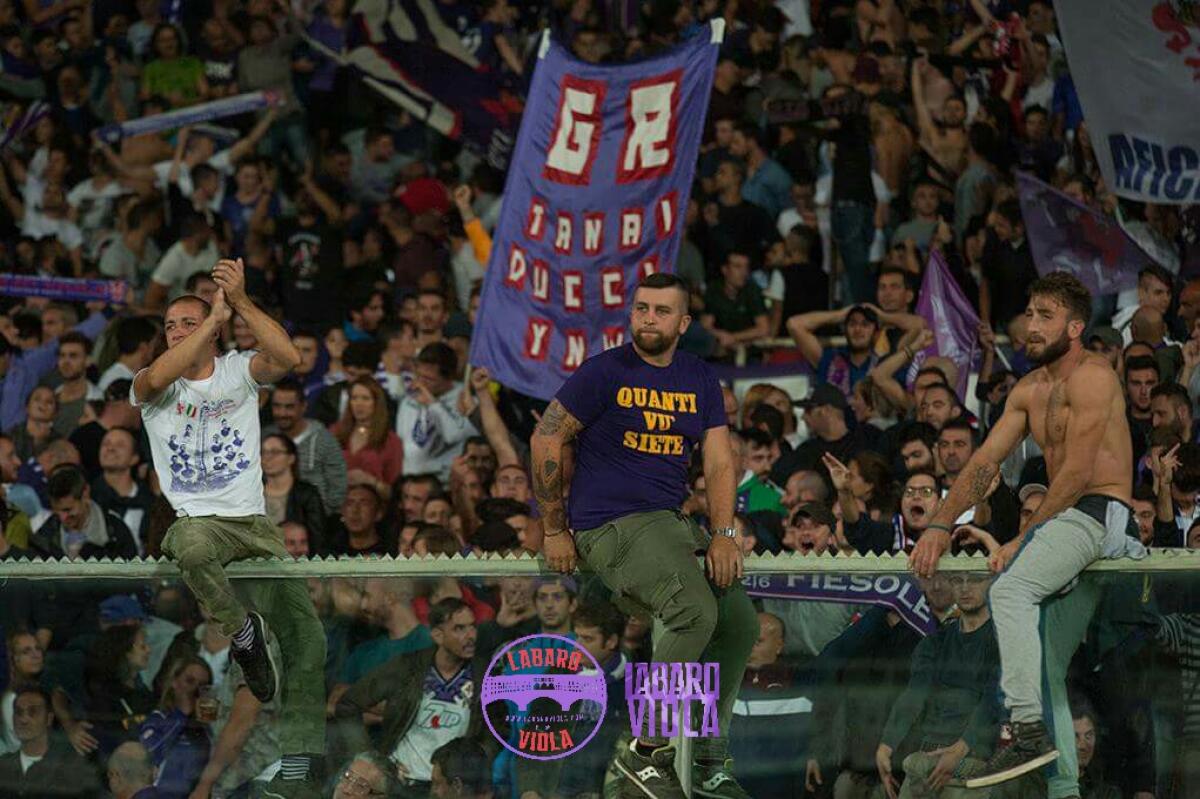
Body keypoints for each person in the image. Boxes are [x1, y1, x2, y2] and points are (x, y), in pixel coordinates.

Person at [910, 272, 1145, 794]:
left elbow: (1080, 474)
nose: (1032, 325)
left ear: (1076, 326)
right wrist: (941, 525)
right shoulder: (1029, 390)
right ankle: (1063, 788)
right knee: (1046, 663)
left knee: (1011, 588)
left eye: (1046, 316)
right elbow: (981, 464)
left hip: (1097, 511)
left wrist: (1024, 539)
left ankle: (1027, 734)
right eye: (1030, 314)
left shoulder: (1095, 376)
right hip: (1064, 520)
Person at [532, 272, 758, 799]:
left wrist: (723, 532)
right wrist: (553, 528)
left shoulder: (698, 376)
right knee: (693, 610)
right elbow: (547, 438)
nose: (647, 319)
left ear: (683, 322)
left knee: (739, 621)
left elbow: (720, 459)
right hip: (608, 524)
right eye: (640, 309)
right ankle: (646, 749)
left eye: (660, 311)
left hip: (670, 523)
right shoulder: (603, 372)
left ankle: (705, 756)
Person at [131, 258, 325, 796]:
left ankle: (299, 766)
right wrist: (210, 320)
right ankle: (243, 634)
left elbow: (287, 357)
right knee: (188, 543)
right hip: (204, 524)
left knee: (307, 638)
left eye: (186, 323)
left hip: (256, 526)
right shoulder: (151, 387)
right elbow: (162, 372)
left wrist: (238, 304)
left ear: (212, 332)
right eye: (168, 325)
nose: (175, 332)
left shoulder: (239, 369)